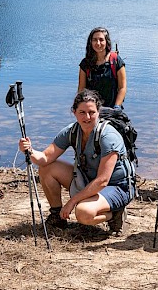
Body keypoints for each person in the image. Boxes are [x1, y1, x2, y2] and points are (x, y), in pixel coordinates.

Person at [18, 89, 134, 234]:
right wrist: (29, 150)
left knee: (83, 213)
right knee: (47, 168)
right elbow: (45, 158)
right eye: (82, 112)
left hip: (116, 186)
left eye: (92, 112)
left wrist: (72, 202)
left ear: (98, 112)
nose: (87, 117)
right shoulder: (72, 131)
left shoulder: (108, 136)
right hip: (88, 179)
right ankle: (57, 216)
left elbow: (102, 181)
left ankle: (115, 215)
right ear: (74, 112)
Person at [78, 27, 127, 110]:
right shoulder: (85, 63)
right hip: (92, 111)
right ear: (90, 42)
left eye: (101, 40)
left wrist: (117, 106)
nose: (98, 43)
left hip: (112, 109)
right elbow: (81, 89)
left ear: (106, 42)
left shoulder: (116, 60)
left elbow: (122, 87)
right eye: (94, 40)